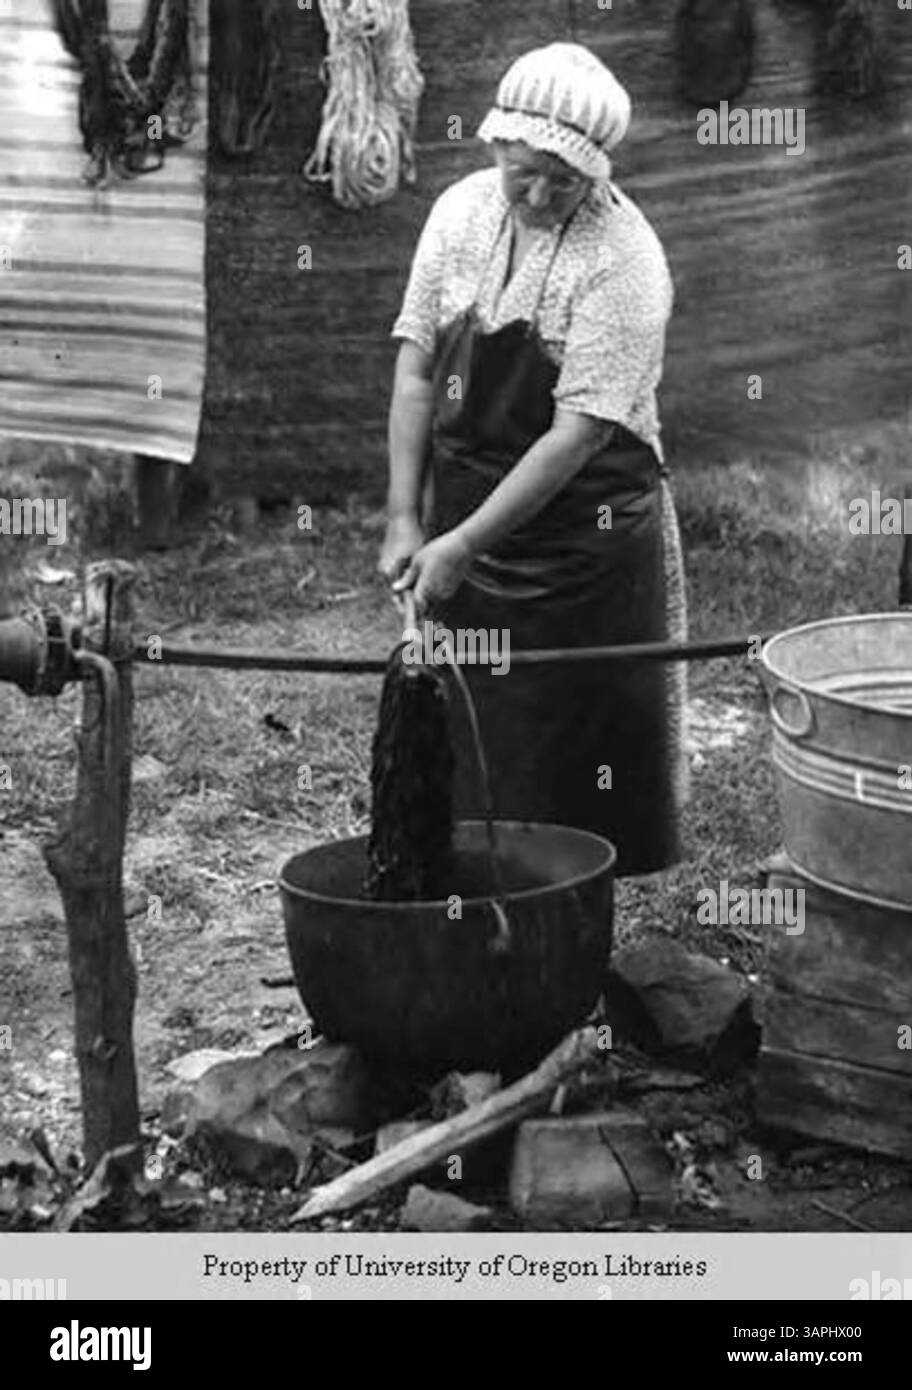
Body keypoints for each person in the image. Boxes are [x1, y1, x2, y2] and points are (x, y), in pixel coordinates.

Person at [379, 42, 688, 876]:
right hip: (467, 519)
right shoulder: (459, 215)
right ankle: (475, 908)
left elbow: (575, 434)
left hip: (583, 542)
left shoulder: (625, 259)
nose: (542, 193)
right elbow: (415, 366)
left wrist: (463, 543)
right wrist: (409, 516)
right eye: (526, 171)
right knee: (471, 745)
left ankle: (571, 936)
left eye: (567, 178)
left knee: (575, 766)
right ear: (495, 146)